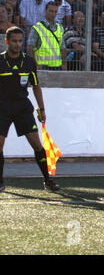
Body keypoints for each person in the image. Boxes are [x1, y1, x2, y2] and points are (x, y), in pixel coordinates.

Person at [0, 26, 60, 193]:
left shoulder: (28, 61)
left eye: (20, 41)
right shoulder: (0, 61)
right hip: (2, 107)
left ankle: (48, 180)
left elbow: (35, 86)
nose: (17, 44)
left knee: (36, 144)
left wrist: (41, 109)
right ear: (7, 42)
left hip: (22, 107)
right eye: (14, 41)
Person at [27, 1, 67, 71]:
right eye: (51, 11)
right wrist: (34, 64)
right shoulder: (37, 27)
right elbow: (30, 48)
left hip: (57, 66)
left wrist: (64, 64)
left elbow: (63, 48)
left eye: (55, 11)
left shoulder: (60, 28)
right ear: (45, 10)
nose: (53, 14)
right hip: (42, 66)